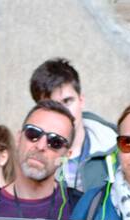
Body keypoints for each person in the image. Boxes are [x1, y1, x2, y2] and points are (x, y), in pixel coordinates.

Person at [29, 57, 117, 194]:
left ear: (81, 100)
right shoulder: (29, 154)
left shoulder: (118, 146)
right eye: (53, 106)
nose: (63, 111)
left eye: (67, 101)